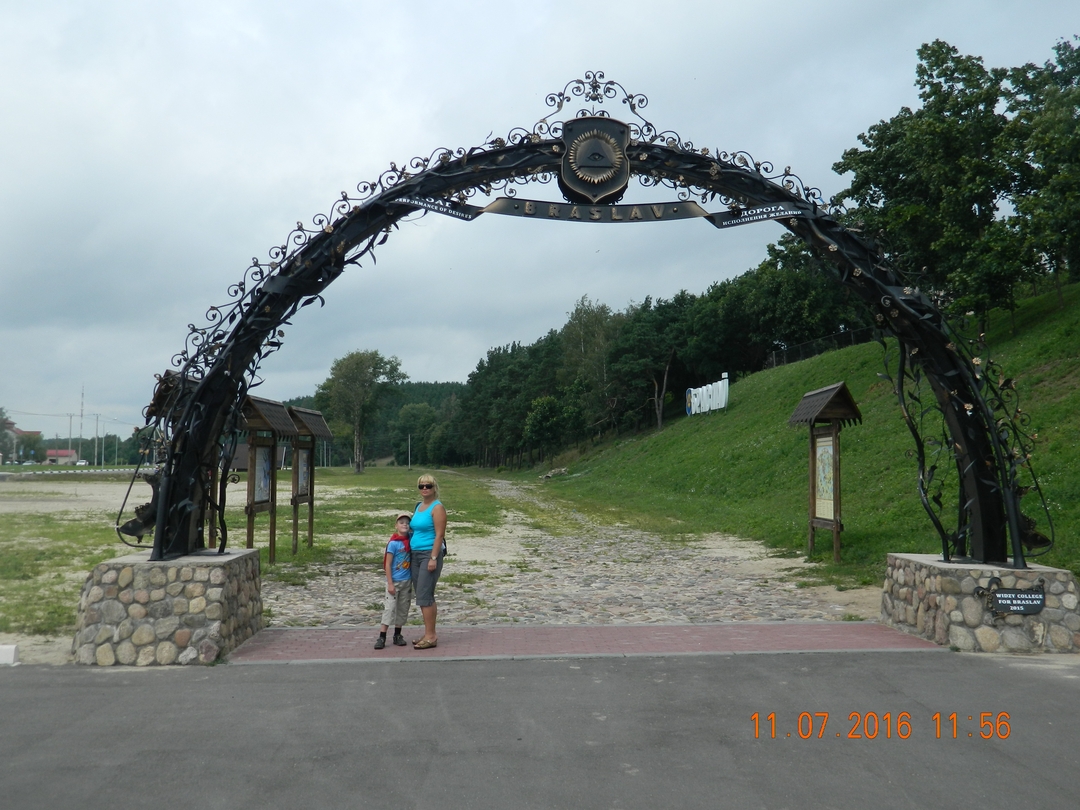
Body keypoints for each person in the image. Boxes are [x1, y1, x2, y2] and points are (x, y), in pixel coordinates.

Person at [409, 473, 447, 649]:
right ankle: (427, 633)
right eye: (421, 486)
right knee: (422, 595)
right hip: (415, 554)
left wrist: (433, 557)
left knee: (425, 595)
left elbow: (439, 535)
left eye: (428, 486)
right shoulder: (419, 506)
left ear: (434, 488)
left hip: (428, 555)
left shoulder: (437, 508)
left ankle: (431, 637)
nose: (425, 489)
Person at [375, 512, 414, 650]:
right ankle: (382, 636)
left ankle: (398, 634)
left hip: (406, 581)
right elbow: (388, 564)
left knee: (403, 608)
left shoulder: (411, 540)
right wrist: (390, 583)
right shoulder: (393, 543)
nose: (405, 525)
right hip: (394, 581)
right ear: (396, 525)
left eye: (407, 523)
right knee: (389, 608)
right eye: (401, 522)